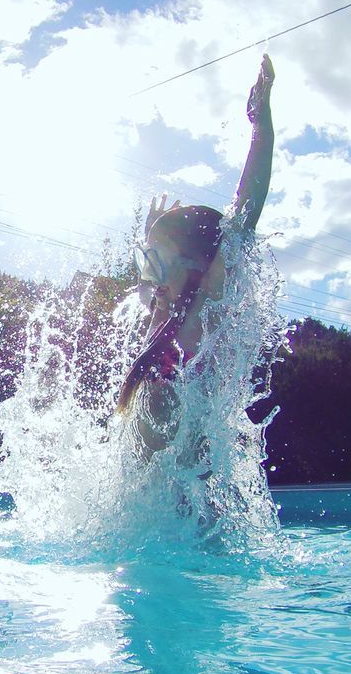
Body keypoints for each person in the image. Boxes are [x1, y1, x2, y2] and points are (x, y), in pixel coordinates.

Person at [117, 54, 276, 459]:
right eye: (145, 259)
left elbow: (246, 208)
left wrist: (262, 127)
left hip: (193, 499)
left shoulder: (209, 304)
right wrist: (152, 236)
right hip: (146, 496)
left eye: (156, 260)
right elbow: (145, 286)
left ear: (196, 265)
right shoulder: (160, 308)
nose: (148, 275)